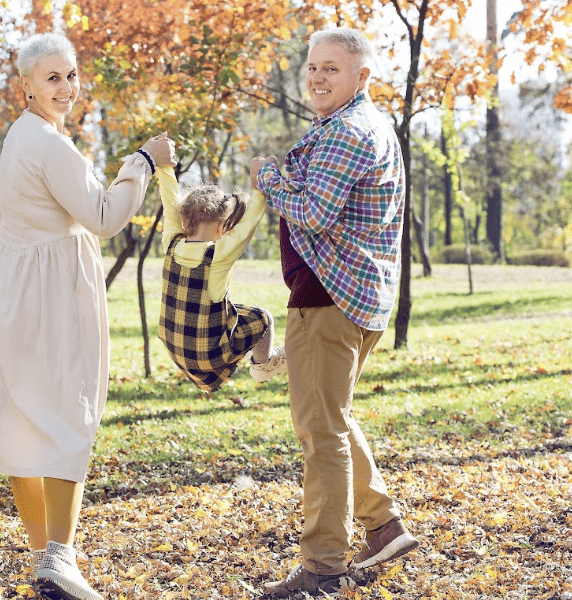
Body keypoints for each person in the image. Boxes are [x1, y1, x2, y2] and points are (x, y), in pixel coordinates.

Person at [0, 32, 175, 600]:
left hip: (17, 293)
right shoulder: (49, 145)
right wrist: (144, 162)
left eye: (70, 75)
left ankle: (44, 557)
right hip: (50, 294)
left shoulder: (20, 136)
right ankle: (59, 555)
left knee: (26, 420)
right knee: (65, 418)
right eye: (51, 77)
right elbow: (103, 215)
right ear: (25, 86)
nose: (65, 86)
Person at [250, 28, 419, 597]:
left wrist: (267, 178)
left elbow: (313, 212)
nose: (317, 77)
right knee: (334, 417)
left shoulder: (348, 131)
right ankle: (385, 527)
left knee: (320, 430)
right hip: (351, 295)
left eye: (331, 68)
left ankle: (323, 568)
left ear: (361, 77)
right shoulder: (353, 126)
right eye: (313, 66)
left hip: (330, 298)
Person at [156, 165, 287, 392]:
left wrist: (164, 168)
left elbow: (169, 203)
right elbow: (247, 226)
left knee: (229, 313)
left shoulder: (171, 243)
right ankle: (262, 366)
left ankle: (241, 360)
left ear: (184, 220)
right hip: (209, 353)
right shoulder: (218, 255)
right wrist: (260, 190)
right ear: (221, 225)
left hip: (174, 345)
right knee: (261, 317)